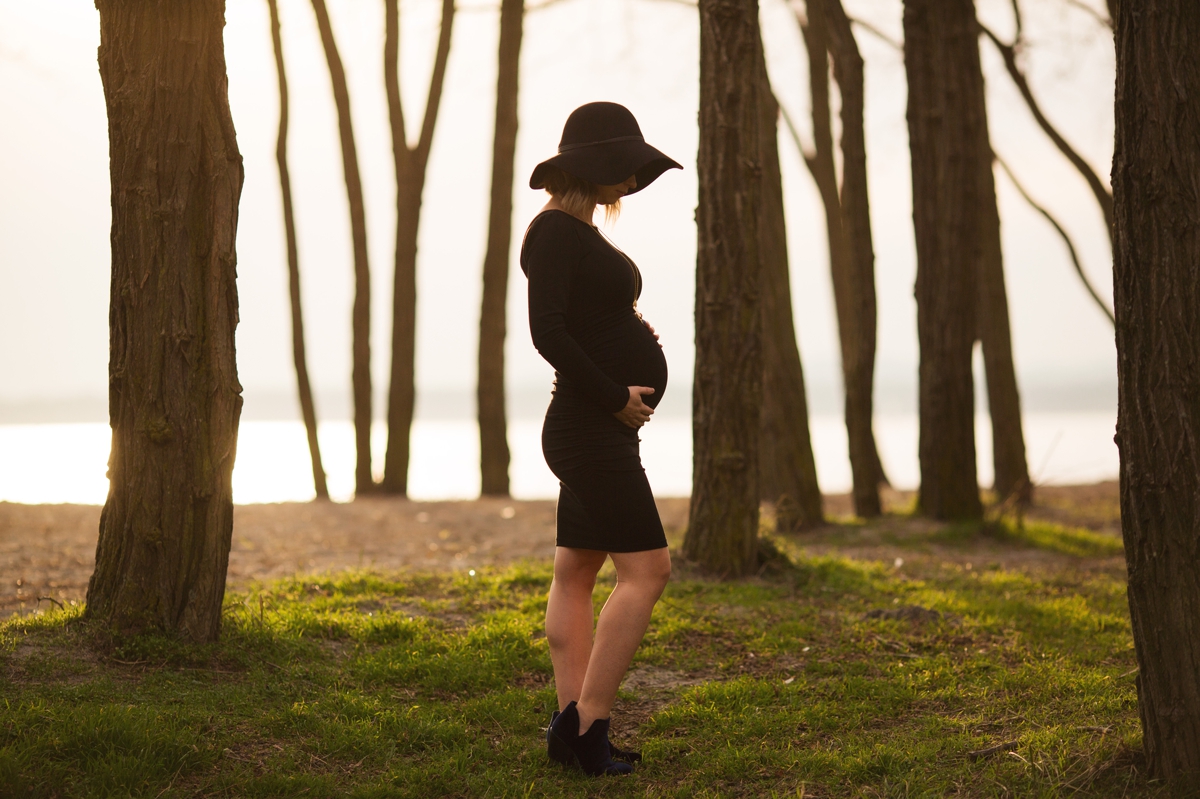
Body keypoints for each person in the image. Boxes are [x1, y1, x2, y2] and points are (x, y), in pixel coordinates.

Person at [519, 101, 682, 777]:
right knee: (648, 570)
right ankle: (591, 723)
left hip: (593, 429)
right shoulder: (554, 232)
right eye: (625, 165)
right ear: (596, 165)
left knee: (578, 571)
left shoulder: (579, 231)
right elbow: (548, 333)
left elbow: (588, 320)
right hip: (589, 428)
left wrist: (634, 348)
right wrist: (617, 395)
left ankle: (568, 723)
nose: (634, 180)